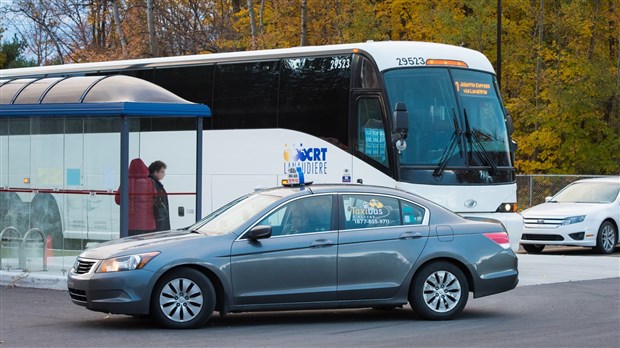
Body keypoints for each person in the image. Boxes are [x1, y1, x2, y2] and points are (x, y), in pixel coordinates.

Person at [115, 158, 157, 236]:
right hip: (148, 224)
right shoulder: (150, 182)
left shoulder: (126, 182)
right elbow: (156, 198)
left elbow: (118, 200)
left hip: (131, 224)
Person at [148, 160, 170, 231]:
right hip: (158, 219)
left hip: (159, 218)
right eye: (162, 172)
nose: (164, 174)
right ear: (155, 172)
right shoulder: (153, 184)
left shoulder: (155, 183)